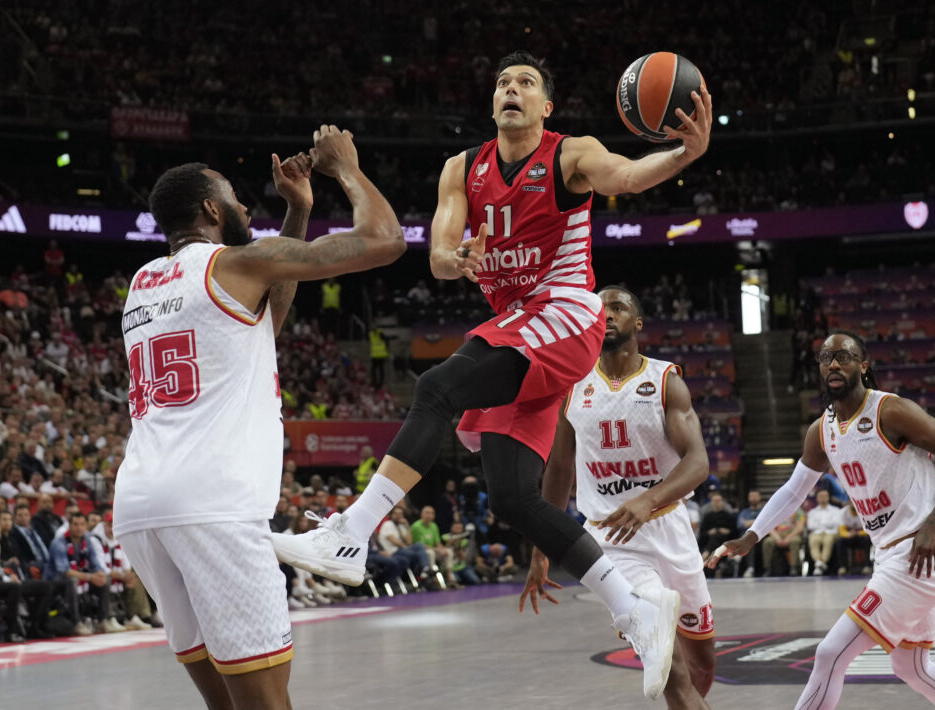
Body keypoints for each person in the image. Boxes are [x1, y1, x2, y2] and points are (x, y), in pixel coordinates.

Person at [271, 51, 712, 701]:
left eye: (526, 83)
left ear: (545, 107)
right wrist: (455, 259)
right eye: (504, 82)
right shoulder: (462, 168)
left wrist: (681, 154)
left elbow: (626, 174)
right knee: (512, 500)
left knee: (435, 387)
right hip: (520, 328)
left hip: (565, 316)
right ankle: (637, 610)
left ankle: (351, 534)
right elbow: (440, 253)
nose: (512, 89)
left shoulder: (570, 155)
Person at [113, 126, 404, 710]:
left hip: (141, 510)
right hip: (213, 505)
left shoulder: (143, 285)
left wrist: (299, 211)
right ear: (210, 209)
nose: (247, 207)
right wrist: (346, 167)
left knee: (226, 703)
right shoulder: (236, 263)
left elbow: (259, 326)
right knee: (266, 703)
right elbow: (384, 239)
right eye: (236, 198)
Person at [709, 330, 935, 709]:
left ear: (863, 366)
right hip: (889, 555)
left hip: (920, 554)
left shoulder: (891, 411)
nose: (834, 364)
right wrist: (752, 535)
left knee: (830, 653)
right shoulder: (821, 431)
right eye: (826, 358)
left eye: (844, 356)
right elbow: (794, 491)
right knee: (912, 666)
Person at [520, 286, 713, 707]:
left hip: (669, 526)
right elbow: (559, 470)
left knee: (701, 665)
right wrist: (541, 546)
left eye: (618, 308)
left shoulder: (665, 381)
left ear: (637, 323)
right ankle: (647, 615)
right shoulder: (572, 386)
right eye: (599, 308)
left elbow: (698, 462)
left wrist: (647, 500)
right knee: (669, 668)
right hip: (610, 538)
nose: (606, 315)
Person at [805, 489, 841, 575]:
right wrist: (827, 523)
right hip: (816, 532)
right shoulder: (812, 512)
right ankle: (819, 562)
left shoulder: (836, 510)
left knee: (828, 541)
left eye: (825, 496)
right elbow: (810, 525)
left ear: (828, 497)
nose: (823, 498)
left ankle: (821, 564)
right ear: (817, 498)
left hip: (831, 532)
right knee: (813, 541)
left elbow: (836, 524)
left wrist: (821, 523)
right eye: (821, 496)